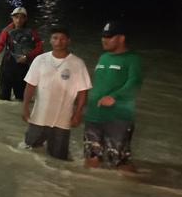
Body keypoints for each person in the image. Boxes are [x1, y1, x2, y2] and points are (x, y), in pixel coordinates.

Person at [22, 27, 91, 160]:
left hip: (62, 120)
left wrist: (78, 113)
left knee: (59, 159)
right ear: (50, 40)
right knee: (28, 151)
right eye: (55, 38)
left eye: (62, 39)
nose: (58, 42)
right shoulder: (40, 60)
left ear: (68, 41)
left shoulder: (77, 63)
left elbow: (83, 91)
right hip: (39, 117)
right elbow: (30, 85)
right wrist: (25, 107)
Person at [84, 21, 143, 173]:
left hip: (119, 117)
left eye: (109, 37)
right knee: (92, 157)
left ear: (121, 38)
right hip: (94, 116)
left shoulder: (133, 59)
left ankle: (143, 186)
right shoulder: (103, 57)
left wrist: (114, 97)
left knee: (119, 162)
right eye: (103, 36)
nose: (104, 40)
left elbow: (135, 83)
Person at [0, 6, 43, 101]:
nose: (19, 20)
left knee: (21, 98)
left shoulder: (32, 32)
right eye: (16, 17)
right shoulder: (6, 31)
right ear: (12, 18)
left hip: (22, 67)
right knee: (3, 98)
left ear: (26, 19)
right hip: (7, 66)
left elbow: (39, 48)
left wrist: (27, 57)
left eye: (22, 17)